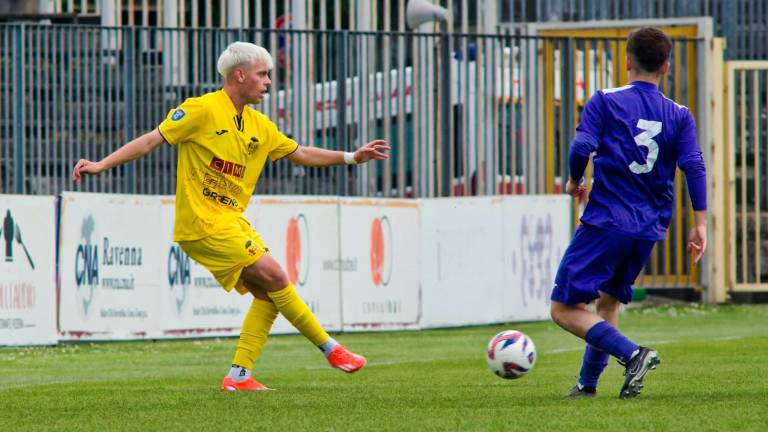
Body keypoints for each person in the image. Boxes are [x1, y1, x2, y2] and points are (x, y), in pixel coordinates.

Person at [72, 42, 390, 391]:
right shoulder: (201, 110)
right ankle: (332, 349)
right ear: (239, 75)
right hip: (201, 223)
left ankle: (239, 377)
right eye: (262, 74)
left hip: (230, 220)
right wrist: (101, 164)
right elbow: (150, 141)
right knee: (276, 274)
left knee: (269, 293)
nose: (268, 81)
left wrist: (350, 157)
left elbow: (300, 153)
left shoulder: (260, 125)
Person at [549, 27, 707, 399]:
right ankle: (588, 385)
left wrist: (575, 180)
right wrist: (700, 223)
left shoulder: (605, 100)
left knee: (563, 309)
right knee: (608, 302)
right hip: (649, 227)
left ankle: (633, 354)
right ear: (666, 66)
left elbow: (581, 146)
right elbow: (694, 166)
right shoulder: (679, 114)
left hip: (607, 220)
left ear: (626, 60)